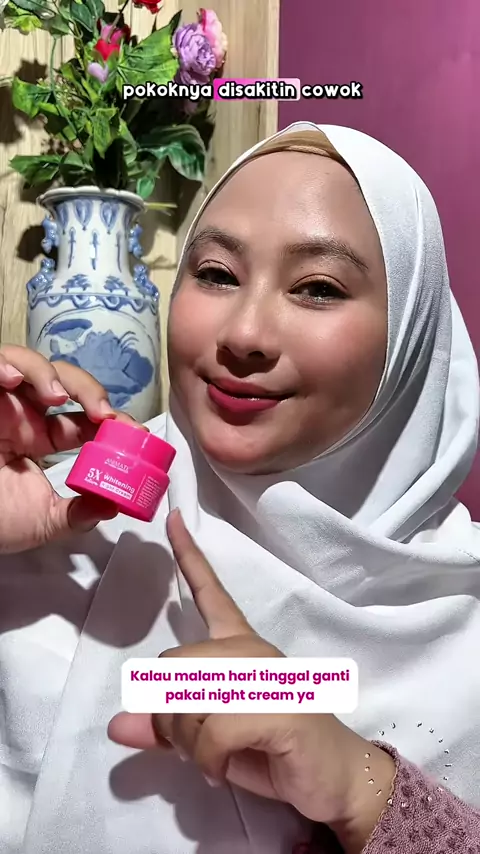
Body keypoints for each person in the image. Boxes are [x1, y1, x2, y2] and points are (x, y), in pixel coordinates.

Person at [0, 121, 480, 854]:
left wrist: (364, 794)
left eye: (317, 288)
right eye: (217, 273)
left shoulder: (465, 619)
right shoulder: (55, 530)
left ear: (410, 342)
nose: (245, 333)